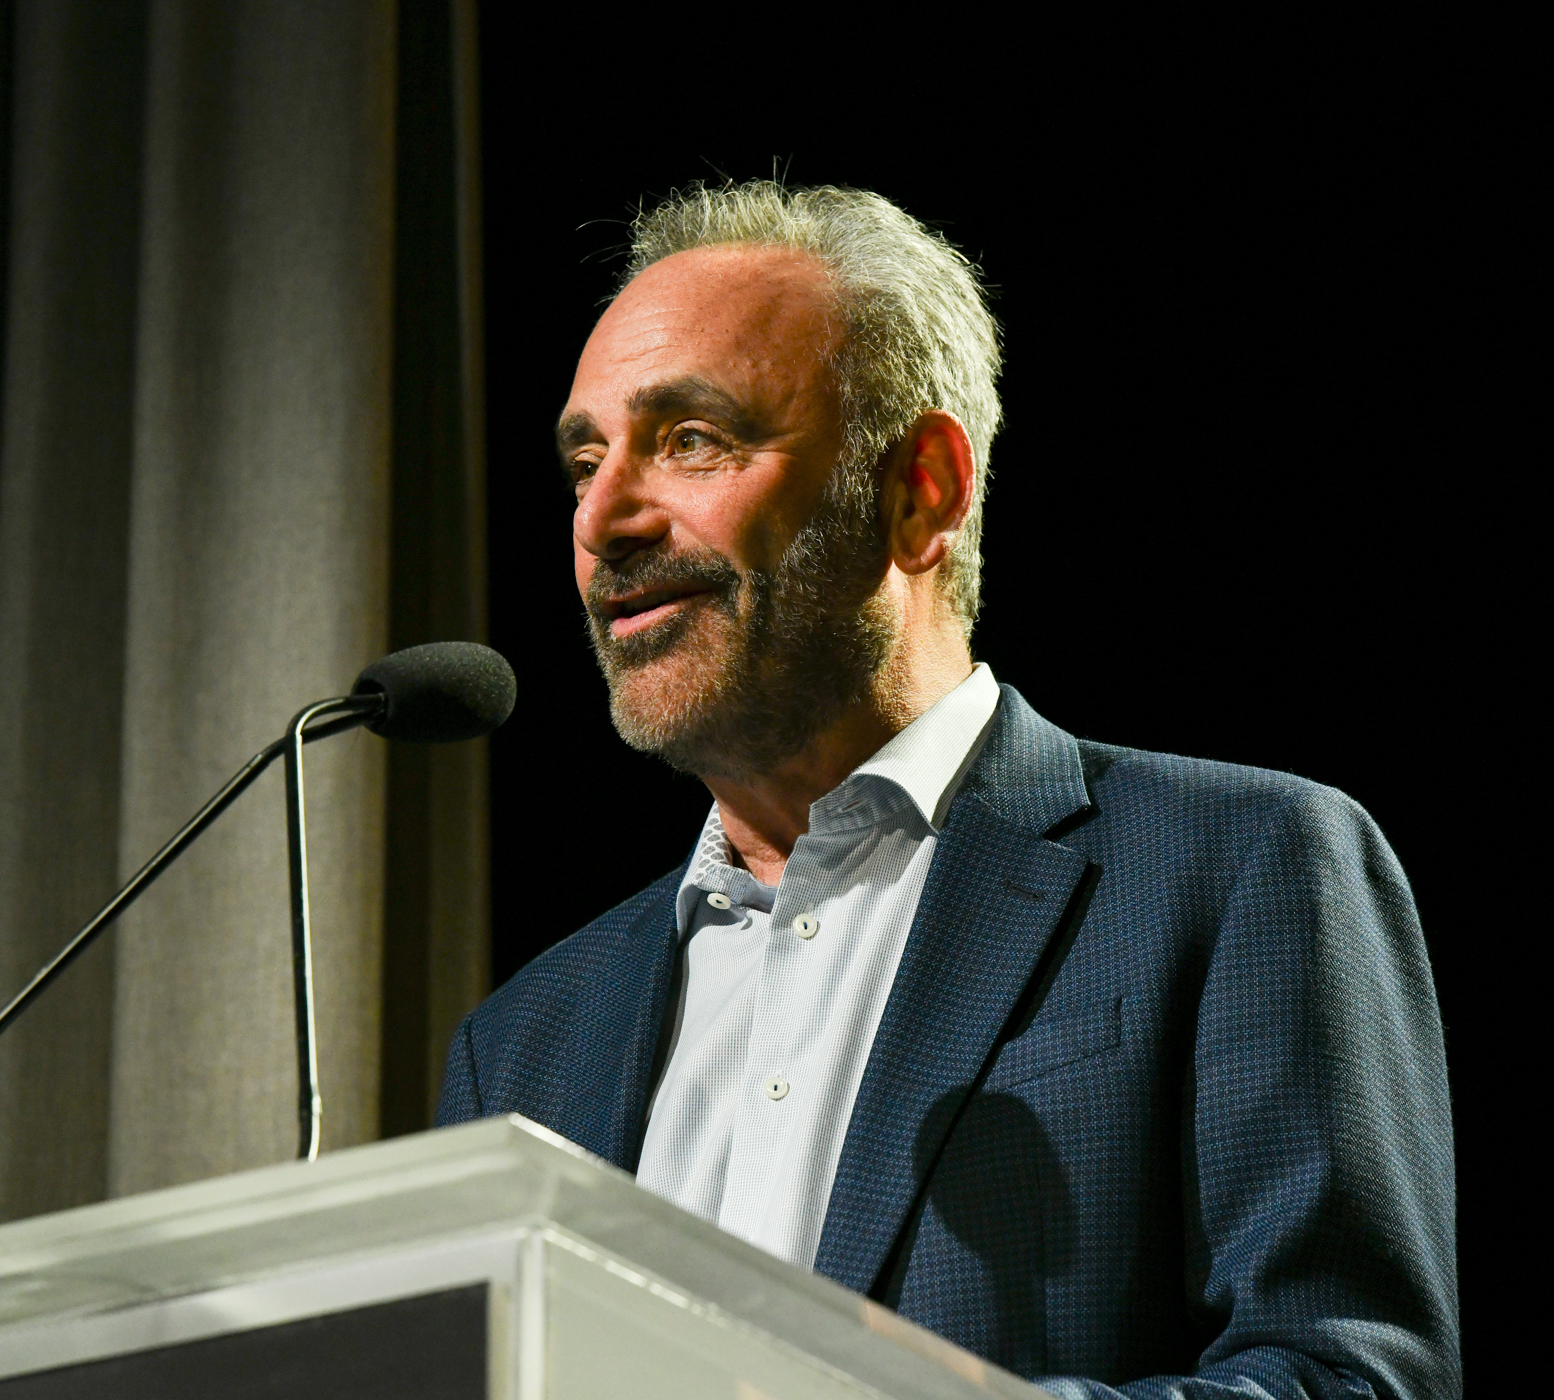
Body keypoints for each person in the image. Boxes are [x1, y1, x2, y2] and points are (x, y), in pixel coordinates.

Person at [436, 182, 1457, 1398]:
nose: (603, 518)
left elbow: (1349, 1378)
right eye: (586, 460)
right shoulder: (523, 1045)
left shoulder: (1240, 870)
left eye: (691, 440)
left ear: (920, 487)